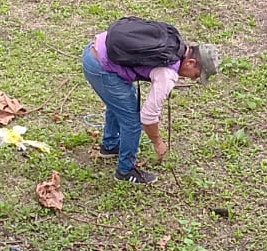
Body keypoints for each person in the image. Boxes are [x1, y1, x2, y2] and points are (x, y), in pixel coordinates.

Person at [81, 18, 220, 186]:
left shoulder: (175, 43)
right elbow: (148, 117)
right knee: (132, 121)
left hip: (94, 48)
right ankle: (125, 171)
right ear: (191, 62)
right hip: (100, 67)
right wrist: (158, 142)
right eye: (196, 75)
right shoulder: (167, 74)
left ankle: (110, 146)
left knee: (121, 104)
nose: (193, 79)